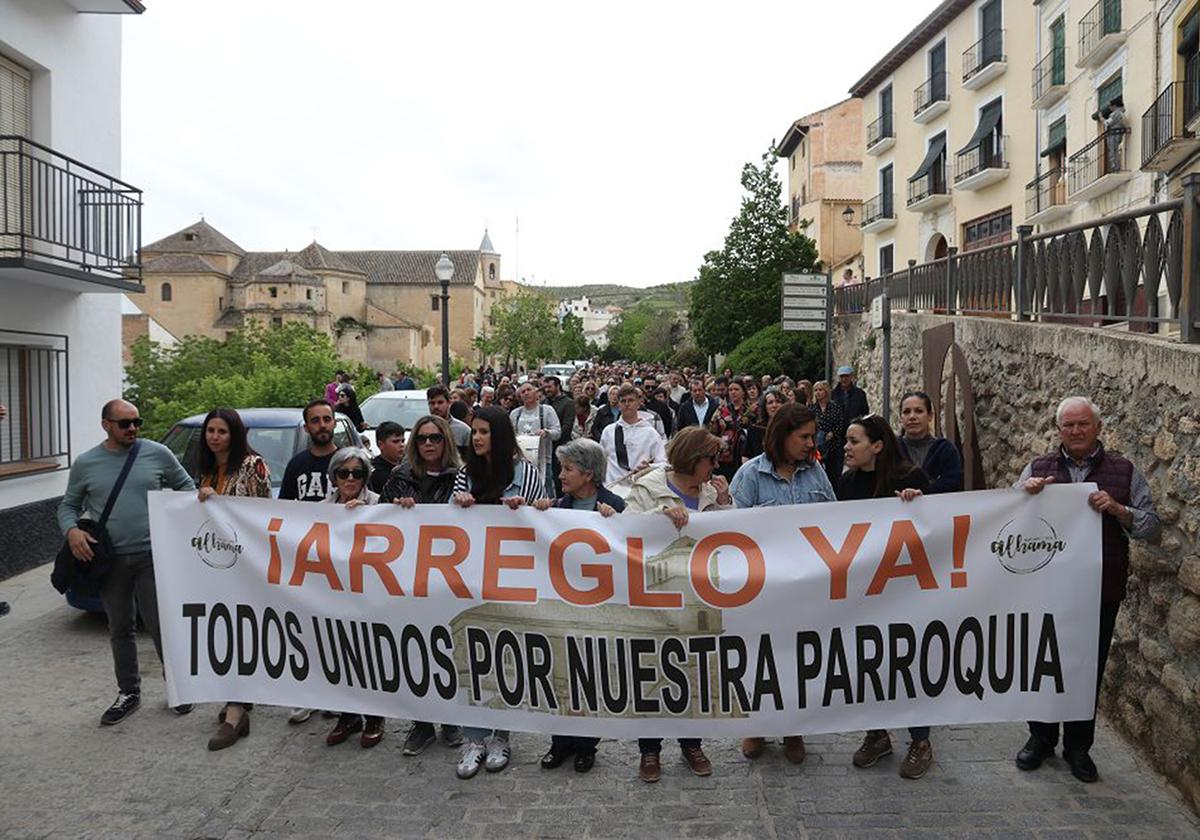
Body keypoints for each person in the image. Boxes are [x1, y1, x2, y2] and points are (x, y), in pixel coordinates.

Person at [1014, 396, 1160, 783]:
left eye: (1083, 425)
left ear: (1098, 427)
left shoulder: (1124, 471)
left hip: (1099, 591)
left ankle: (1078, 747)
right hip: (1045, 590)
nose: (1076, 432)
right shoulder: (1038, 468)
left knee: (1085, 670)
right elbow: (1009, 521)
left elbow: (1152, 528)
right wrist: (1024, 496)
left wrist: (1118, 509)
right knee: (1041, 663)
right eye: (1068, 426)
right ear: (1058, 430)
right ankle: (1040, 738)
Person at [57, 399, 195, 726]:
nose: (132, 428)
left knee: (163, 625)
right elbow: (68, 506)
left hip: (152, 557)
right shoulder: (87, 463)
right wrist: (72, 532)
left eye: (137, 422)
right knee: (120, 627)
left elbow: (186, 487)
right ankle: (128, 692)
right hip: (110, 561)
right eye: (124, 423)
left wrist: (181, 518)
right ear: (106, 425)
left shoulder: (157, 453)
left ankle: (178, 687)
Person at [624, 426, 732, 782]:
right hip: (655, 596)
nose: (715, 467)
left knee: (694, 670)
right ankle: (650, 750)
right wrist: (658, 520)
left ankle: (691, 743)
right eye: (711, 460)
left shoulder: (708, 492)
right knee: (651, 670)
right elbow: (623, 531)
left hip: (697, 595)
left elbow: (736, 534)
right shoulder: (648, 488)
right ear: (692, 459)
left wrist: (725, 502)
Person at [731, 403, 836, 764]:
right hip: (762, 588)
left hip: (806, 587)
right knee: (760, 657)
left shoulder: (816, 473)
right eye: (804, 436)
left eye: (813, 436)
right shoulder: (749, 476)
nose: (811, 443)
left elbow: (837, 521)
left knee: (799, 658)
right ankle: (756, 725)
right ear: (783, 435)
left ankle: (793, 726)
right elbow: (730, 535)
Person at [451, 406, 548, 778]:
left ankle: (500, 735)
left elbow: (542, 522)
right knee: (471, 656)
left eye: (484, 432)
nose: (476, 438)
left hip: (511, 579)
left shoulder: (527, 474)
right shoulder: (464, 475)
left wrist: (532, 509)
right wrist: (456, 506)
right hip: (471, 577)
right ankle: (473, 737)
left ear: (500, 435)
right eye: (473, 432)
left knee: (506, 655)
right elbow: (445, 528)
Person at [837, 414, 933, 779]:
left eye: (854, 440)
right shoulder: (846, 483)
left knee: (907, 663)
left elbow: (940, 525)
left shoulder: (910, 478)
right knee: (867, 661)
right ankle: (877, 734)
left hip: (906, 591)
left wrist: (918, 504)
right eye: (846, 440)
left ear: (877, 446)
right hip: (864, 592)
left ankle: (921, 740)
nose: (846, 447)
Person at [532, 438, 624, 773]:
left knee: (589, 676)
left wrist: (617, 522)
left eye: (567, 469)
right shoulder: (556, 507)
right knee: (560, 675)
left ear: (588, 474)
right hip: (560, 609)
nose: (560, 475)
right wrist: (537, 513)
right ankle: (560, 743)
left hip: (597, 611)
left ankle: (586, 745)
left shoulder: (614, 506)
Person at [377, 415, 466, 754]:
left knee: (447, 647)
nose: (428, 444)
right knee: (414, 650)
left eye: (435, 438)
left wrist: (468, 505)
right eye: (422, 439)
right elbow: (378, 522)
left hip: (449, 579)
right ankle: (422, 723)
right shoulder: (400, 478)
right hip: (409, 578)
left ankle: (451, 718)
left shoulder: (461, 478)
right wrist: (395, 509)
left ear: (446, 441)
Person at [195, 408, 271, 750]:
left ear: (234, 434)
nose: (214, 436)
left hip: (246, 566)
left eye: (222, 431)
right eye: (210, 430)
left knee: (240, 634)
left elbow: (260, 514)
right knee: (225, 634)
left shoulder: (253, 465)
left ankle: (236, 712)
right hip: (217, 566)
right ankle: (235, 701)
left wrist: (220, 502)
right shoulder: (208, 468)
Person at [279, 399, 340, 724]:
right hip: (305, 560)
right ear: (307, 427)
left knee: (336, 628)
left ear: (334, 423)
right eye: (315, 421)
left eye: (326, 419)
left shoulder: (348, 461)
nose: (321, 425)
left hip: (340, 561)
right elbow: (285, 511)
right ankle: (305, 692)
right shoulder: (296, 465)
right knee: (303, 628)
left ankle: (334, 693)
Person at [320, 447, 386, 749]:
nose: (350, 479)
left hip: (369, 593)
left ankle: (374, 716)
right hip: (334, 593)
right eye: (343, 473)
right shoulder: (320, 508)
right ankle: (348, 715)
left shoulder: (378, 505)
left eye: (357, 473)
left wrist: (366, 517)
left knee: (369, 653)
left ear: (365, 477)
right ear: (334, 476)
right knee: (339, 652)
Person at [601, 384, 667, 490]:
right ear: (618, 405)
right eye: (623, 401)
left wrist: (649, 468)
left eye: (631, 400)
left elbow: (663, 464)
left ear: (638, 403)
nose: (627, 404)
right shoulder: (608, 431)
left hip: (640, 491)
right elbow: (601, 463)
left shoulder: (651, 433)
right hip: (612, 488)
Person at [897, 391, 963, 494]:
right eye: (906, 412)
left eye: (919, 411)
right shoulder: (892, 449)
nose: (912, 417)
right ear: (900, 417)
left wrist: (923, 492)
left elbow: (953, 483)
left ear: (930, 416)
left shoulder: (945, 450)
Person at [510, 381, 561, 496]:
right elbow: (508, 435)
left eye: (529, 390)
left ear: (536, 393)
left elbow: (558, 432)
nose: (526, 393)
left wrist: (546, 432)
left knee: (546, 490)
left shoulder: (547, 410)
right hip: (521, 461)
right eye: (523, 392)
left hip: (543, 460)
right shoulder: (515, 414)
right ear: (520, 397)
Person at [708, 378, 750, 481]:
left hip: (744, 455)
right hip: (724, 457)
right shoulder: (721, 410)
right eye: (730, 390)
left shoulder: (750, 411)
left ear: (743, 392)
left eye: (736, 389)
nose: (733, 392)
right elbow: (712, 431)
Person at [811, 380, 845, 481]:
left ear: (826, 391)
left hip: (833, 445)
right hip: (818, 445)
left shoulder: (834, 407)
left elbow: (840, 422)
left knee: (834, 473)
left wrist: (832, 433)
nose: (818, 392)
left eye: (820, 390)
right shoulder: (812, 408)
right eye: (816, 390)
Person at [428, 384, 471, 459]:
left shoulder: (464, 431)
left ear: (449, 402)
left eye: (440, 402)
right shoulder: (422, 430)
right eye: (432, 403)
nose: (436, 407)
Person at [742, 387, 784, 463]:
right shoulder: (755, 429)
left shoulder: (791, 428)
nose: (774, 405)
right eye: (770, 402)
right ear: (765, 407)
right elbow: (746, 456)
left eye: (778, 401)